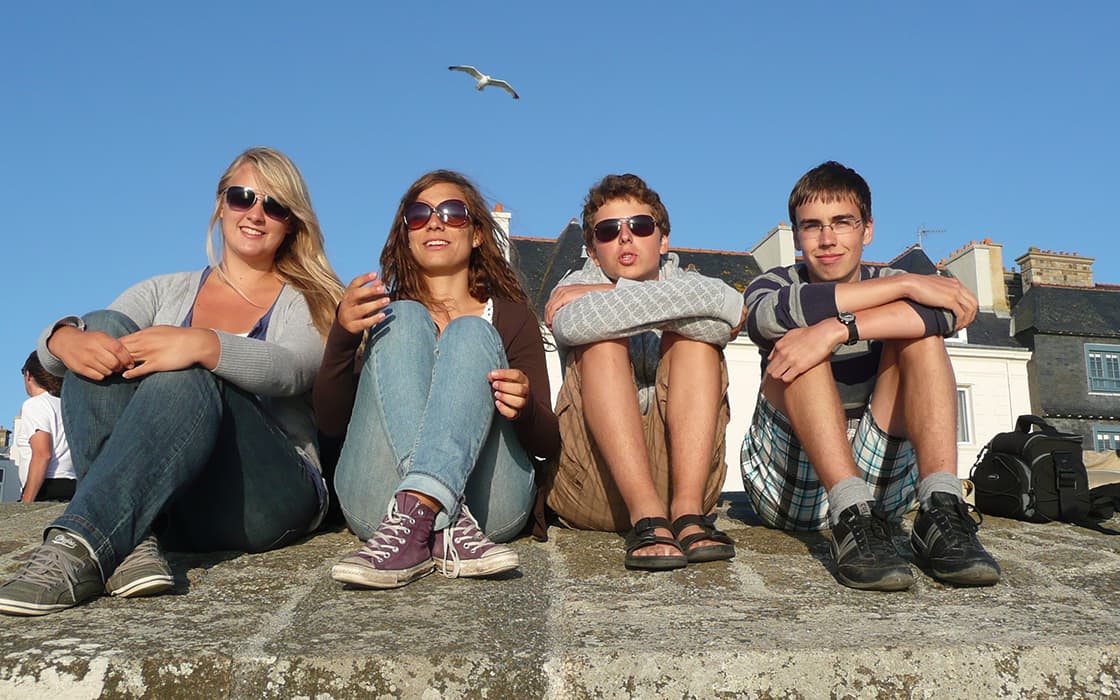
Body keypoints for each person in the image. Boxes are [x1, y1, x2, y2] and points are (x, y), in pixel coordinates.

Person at [0, 147, 343, 616]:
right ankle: (135, 540)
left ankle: (80, 541)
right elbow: (93, 337)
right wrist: (60, 339)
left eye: (275, 205)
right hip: (178, 505)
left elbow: (295, 368)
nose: (256, 214)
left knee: (191, 376)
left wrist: (203, 344)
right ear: (221, 204)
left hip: (269, 494)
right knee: (102, 323)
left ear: (292, 222)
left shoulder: (307, 298)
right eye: (243, 197)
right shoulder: (165, 290)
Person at [740, 160, 1000, 591]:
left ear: (868, 230)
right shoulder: (775, 284)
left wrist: (839, 328)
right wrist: (907, 287)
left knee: (920, 338)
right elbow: (767, 318)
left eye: (842, 222)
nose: (827, 239)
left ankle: (941, 509)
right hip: (789, 485)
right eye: (812, 226)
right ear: (797, 236)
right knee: (797, 343)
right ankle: (847, 509)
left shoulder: (894, 278)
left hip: (883, 490)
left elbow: (948, 314)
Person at [314, 170, 559, 590]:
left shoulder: (512, 317)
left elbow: (547, 444)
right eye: (418, 214)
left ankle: (425, 510)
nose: (434, 222)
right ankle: (430, 513)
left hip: (487, 508)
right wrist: (342, 337)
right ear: (406, 235)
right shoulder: (383, 315)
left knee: (471, 332)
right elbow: (332, 425)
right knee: (404, 316)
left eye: (452, 212)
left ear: (478, 233)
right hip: (378, 502)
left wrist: (525, 408)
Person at [544, 174, 744, 571]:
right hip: (593, 485)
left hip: (685, 486)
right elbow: (572, 325)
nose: (625, 238)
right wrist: (683, 307)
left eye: (639, 226)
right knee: (600, 339)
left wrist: (608, 292)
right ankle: (646, 516)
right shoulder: (574, 284)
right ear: (591, 250)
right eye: (608, 231)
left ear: (663, 239)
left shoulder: (666, 279)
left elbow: (732, 311)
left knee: (696, 345)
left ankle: (687, 514)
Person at [16, 352, 76, 502]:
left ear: (28, 375)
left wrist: (26, 501)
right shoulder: (68, 406)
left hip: (46, 488)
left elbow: (42, 454)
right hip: (74, 486)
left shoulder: (34, 405)